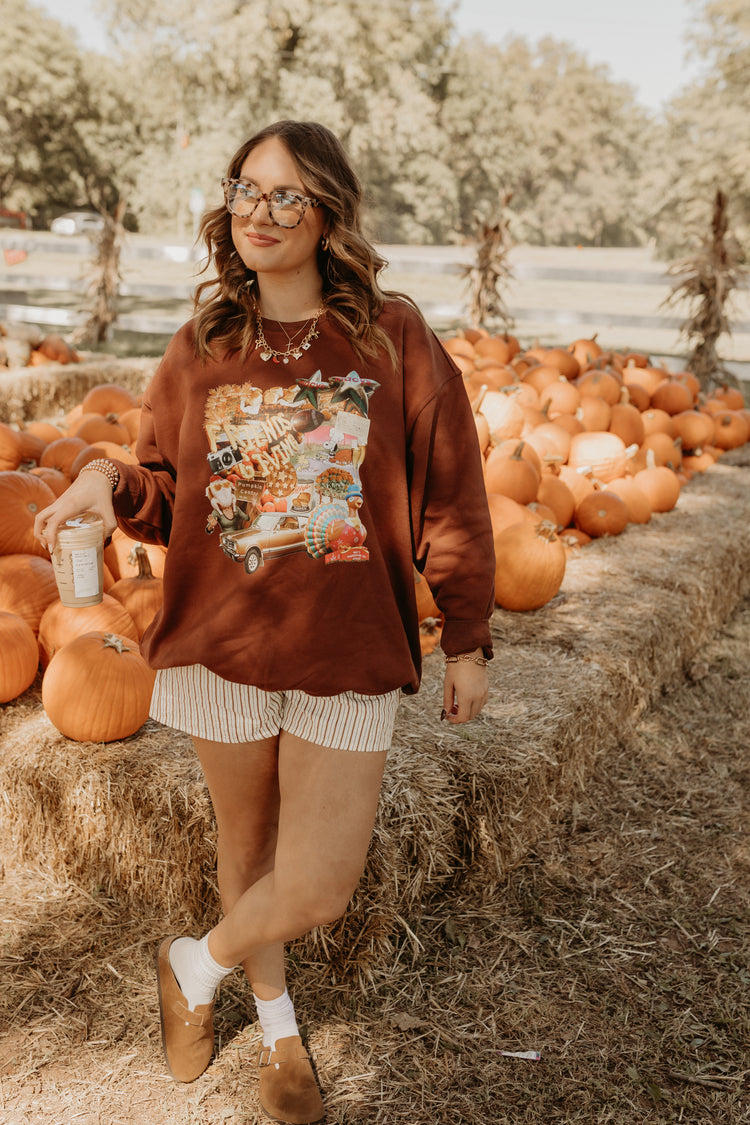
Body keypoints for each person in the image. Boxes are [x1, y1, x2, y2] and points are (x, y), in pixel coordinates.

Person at [34, 120, 495, 1125]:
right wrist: (103, 481)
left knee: (320, 882)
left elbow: (453, 491)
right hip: (224, 644)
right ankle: (280, 1031)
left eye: (289, 194)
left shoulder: (392, 336)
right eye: (248, 189)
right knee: (246, 852)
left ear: (330, 213)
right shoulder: (202, 349)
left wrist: (465, 637)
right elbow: (161, 488)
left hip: (346, 650)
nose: (263, 212)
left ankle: (194, 965)